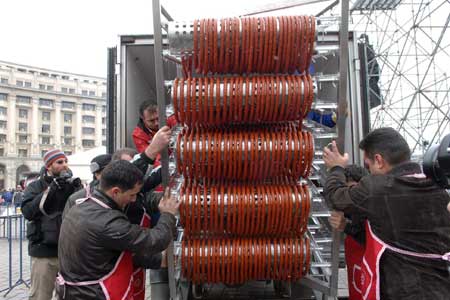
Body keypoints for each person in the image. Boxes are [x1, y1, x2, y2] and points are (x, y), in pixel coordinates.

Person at [323, 127, 450, 300]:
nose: (369, 172)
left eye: (368, 165)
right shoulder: (438, 189)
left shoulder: (378, 189)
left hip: (401, 291)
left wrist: (336, 168)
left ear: (378, 160)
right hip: (440, 290)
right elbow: (392, 238)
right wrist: (347, 227)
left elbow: (336, 197)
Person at [57, 160, 179, 300]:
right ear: (115, 191)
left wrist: (158, 260)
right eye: (132, 195)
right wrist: (168, 214)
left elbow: (115, 253)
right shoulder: (107, 221)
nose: (134, 200)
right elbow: (154, 241)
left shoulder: (80, 207)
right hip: (95, 294)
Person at [21, 149, 82, 300]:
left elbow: (82, 212)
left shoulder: (71, 184)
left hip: (68, 252)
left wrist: (78, 190)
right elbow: (28, 212)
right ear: (49, 166)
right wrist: (50, 190)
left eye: (66, 161)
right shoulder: (35, 186)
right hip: (44, 252)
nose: (65, 165)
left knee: (69, 295)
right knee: (40, 295)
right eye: (59, 162)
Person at [328, 165, 368, 300]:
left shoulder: (372, 209)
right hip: (355, 271)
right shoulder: (347, 212)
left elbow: (366, 236)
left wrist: (346, 226)